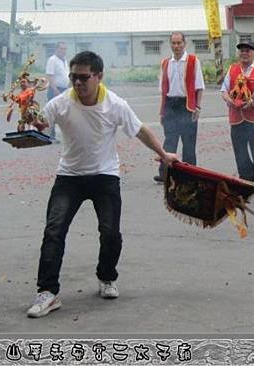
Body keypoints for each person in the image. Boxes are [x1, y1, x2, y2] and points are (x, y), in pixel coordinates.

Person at [26, 51, 178, 318]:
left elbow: (140, 129)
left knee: (110, 233)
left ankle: (106, 277)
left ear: (98, 76)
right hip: (69, 177)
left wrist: (164, 155)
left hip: (104, 175)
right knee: (54, 231)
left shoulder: (114, 104)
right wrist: (31, 122)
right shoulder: (60, 103)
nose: (77, 83)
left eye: (83, 77)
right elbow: (41, 126)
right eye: (73, 77)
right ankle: (47, 292)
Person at [221, 40, 254, 188]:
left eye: (248, 50)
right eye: (242, 50)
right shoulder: (232, 69)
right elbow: (224, 89)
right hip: (236, 117)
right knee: (240, 150)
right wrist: (228, 99)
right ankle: (246, 177)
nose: (244, 53)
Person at [154, 32, 205, 183]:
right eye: (174, 43)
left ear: (185, 44)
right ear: (170, 44)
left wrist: (198, 107)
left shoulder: (193, 61)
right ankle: (165, 174)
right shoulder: (165, 63)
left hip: (187, 105)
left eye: (179, 43)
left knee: (189, 142)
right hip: (170, 105)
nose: (176, 46)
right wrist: (162, 111)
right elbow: (163, 90)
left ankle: (190, 174)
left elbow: (200, 87)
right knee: (169, 141)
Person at [45, 42, 70, 139]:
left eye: (65, 49)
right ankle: (50, 135)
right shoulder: (52, 60)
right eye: (62, 48)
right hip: (55, 89)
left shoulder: (64, 60)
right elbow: (49, 75)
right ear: (57, 49)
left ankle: (64, 134)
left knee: (63, 111)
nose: (64, 51)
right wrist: (55, 90)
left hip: (64, 89)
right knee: (53, 112)